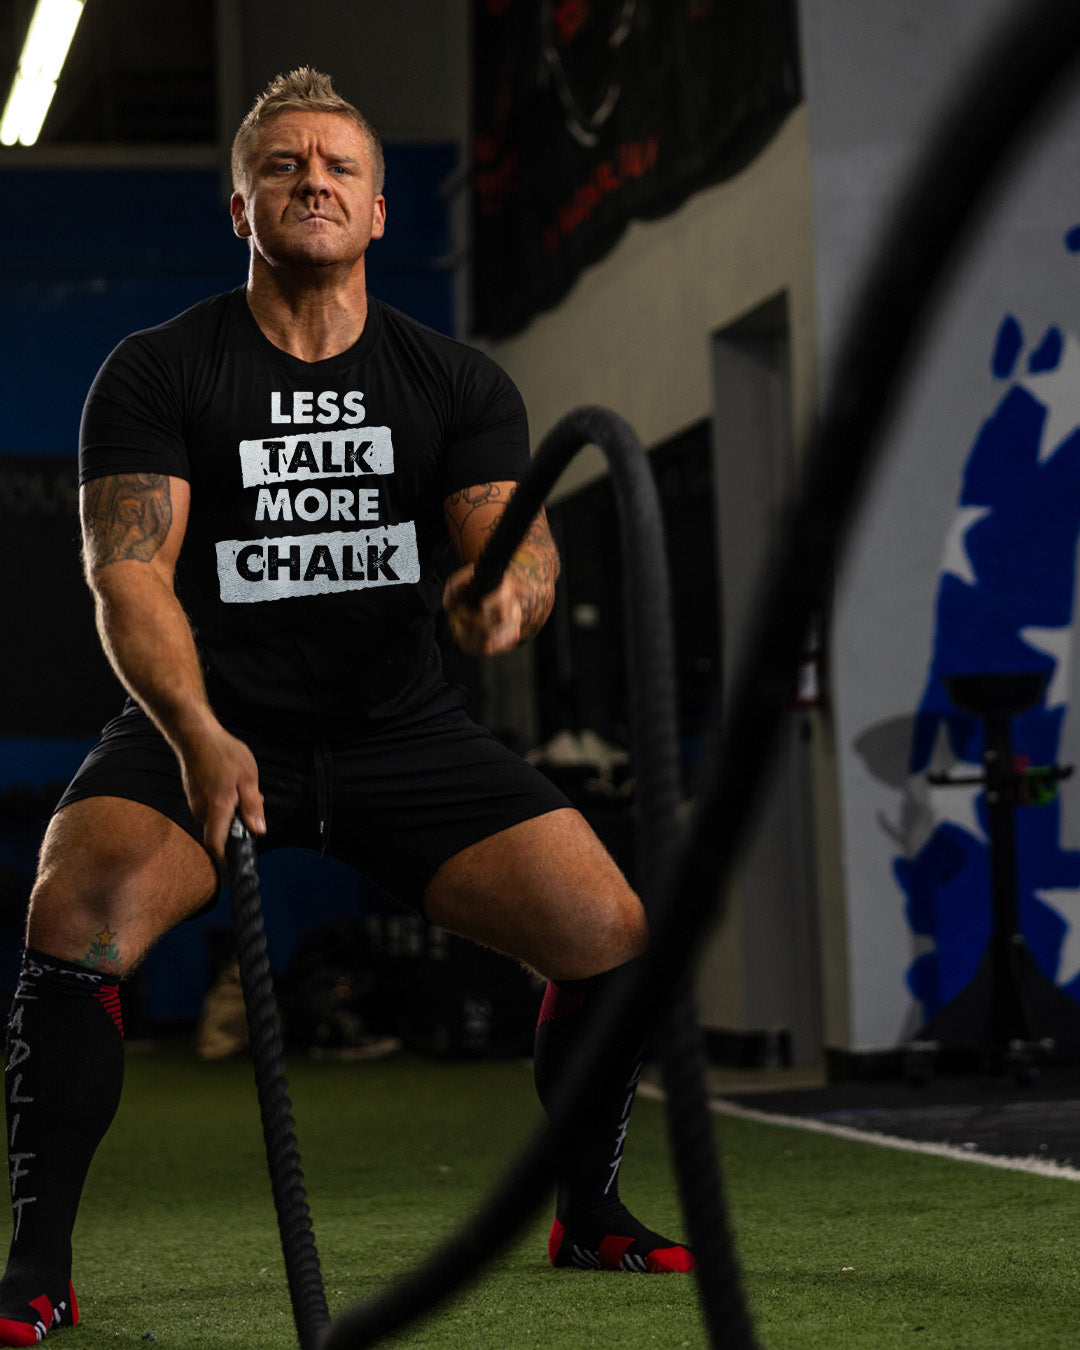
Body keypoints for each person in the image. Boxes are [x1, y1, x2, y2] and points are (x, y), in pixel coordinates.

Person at [0, 67, 693, 1345]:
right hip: (202, 723)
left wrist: (505, 603)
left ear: (379, 212)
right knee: (76, 907)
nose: (311, 179)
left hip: (398, 733)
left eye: (338, 167)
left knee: (608, 929)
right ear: (241, 206)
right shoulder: (159, 371)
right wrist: (200, 735)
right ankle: (36, 1265)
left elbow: (512, 547)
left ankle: (588, 1211)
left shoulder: (454, 382)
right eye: (282, 165)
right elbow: (129, 577)